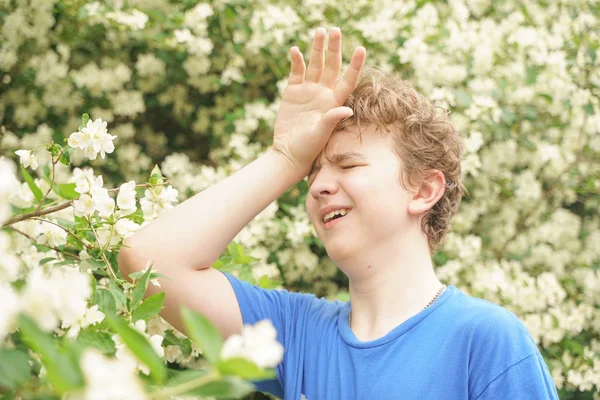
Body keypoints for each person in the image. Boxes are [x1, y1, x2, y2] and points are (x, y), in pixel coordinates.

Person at [118, 27, 560, 399]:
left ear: (424, 190)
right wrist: (285, 157)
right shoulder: (295, 335)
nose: (320, 186)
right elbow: (149, 262)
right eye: (312, 174)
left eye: (348, 164)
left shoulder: (485, 340)